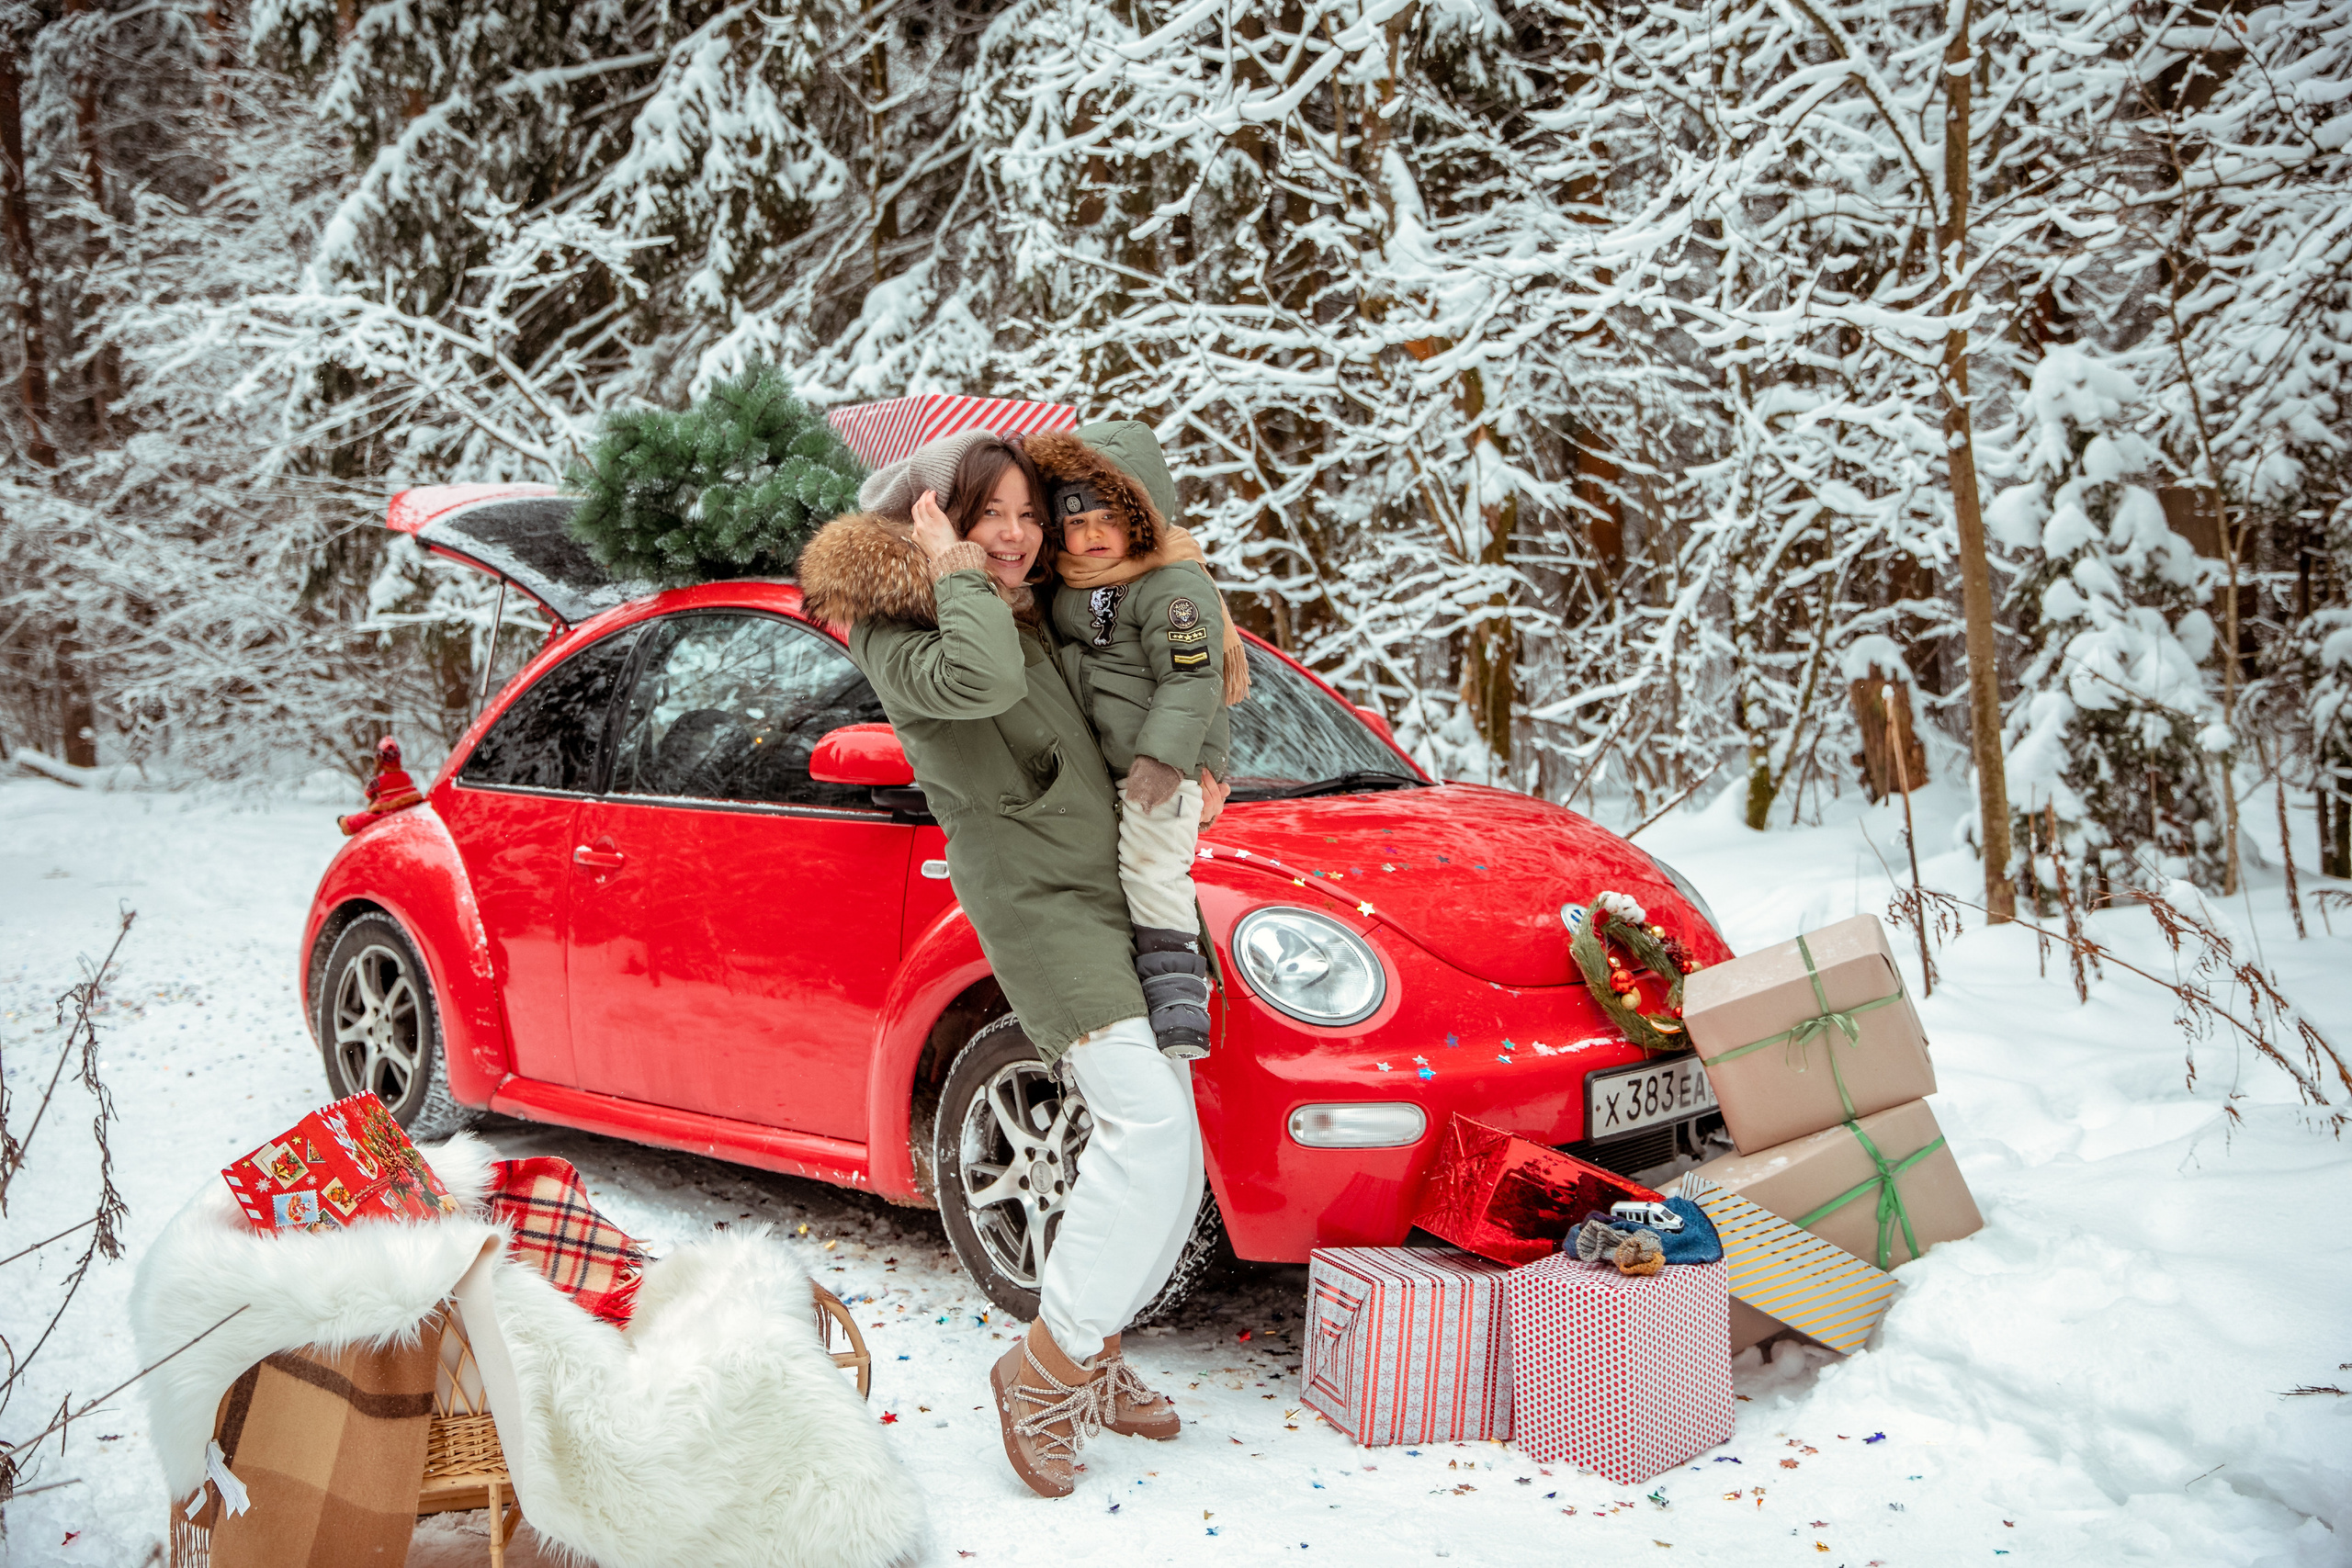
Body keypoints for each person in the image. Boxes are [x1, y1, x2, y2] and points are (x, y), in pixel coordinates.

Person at [796, 431, 1205, 1500]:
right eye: (993, 516)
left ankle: (1095, 1349)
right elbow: (971, 686)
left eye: (1032, 514)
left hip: (1110, 885)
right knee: (1147, 1125)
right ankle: (1044, 1371)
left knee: (1177, 1139)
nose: (1019, 536)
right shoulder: (897, 627)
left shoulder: (1030, 608)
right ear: (936, 520)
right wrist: (947, 569)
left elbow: (1127, 676)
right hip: (1035, 902)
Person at [1026, 423, 1250, 1059]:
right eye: (1076, 521)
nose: (1092, 535)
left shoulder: (1172, 586)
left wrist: (1164, 763)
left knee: (1153, 868)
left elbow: (1191, 680)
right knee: (1121, 877)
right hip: (1108, 770)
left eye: (1109, 519)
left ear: (1143, 519)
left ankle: (1180, 1001)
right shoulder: (1072, 586)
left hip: (1161, 768)